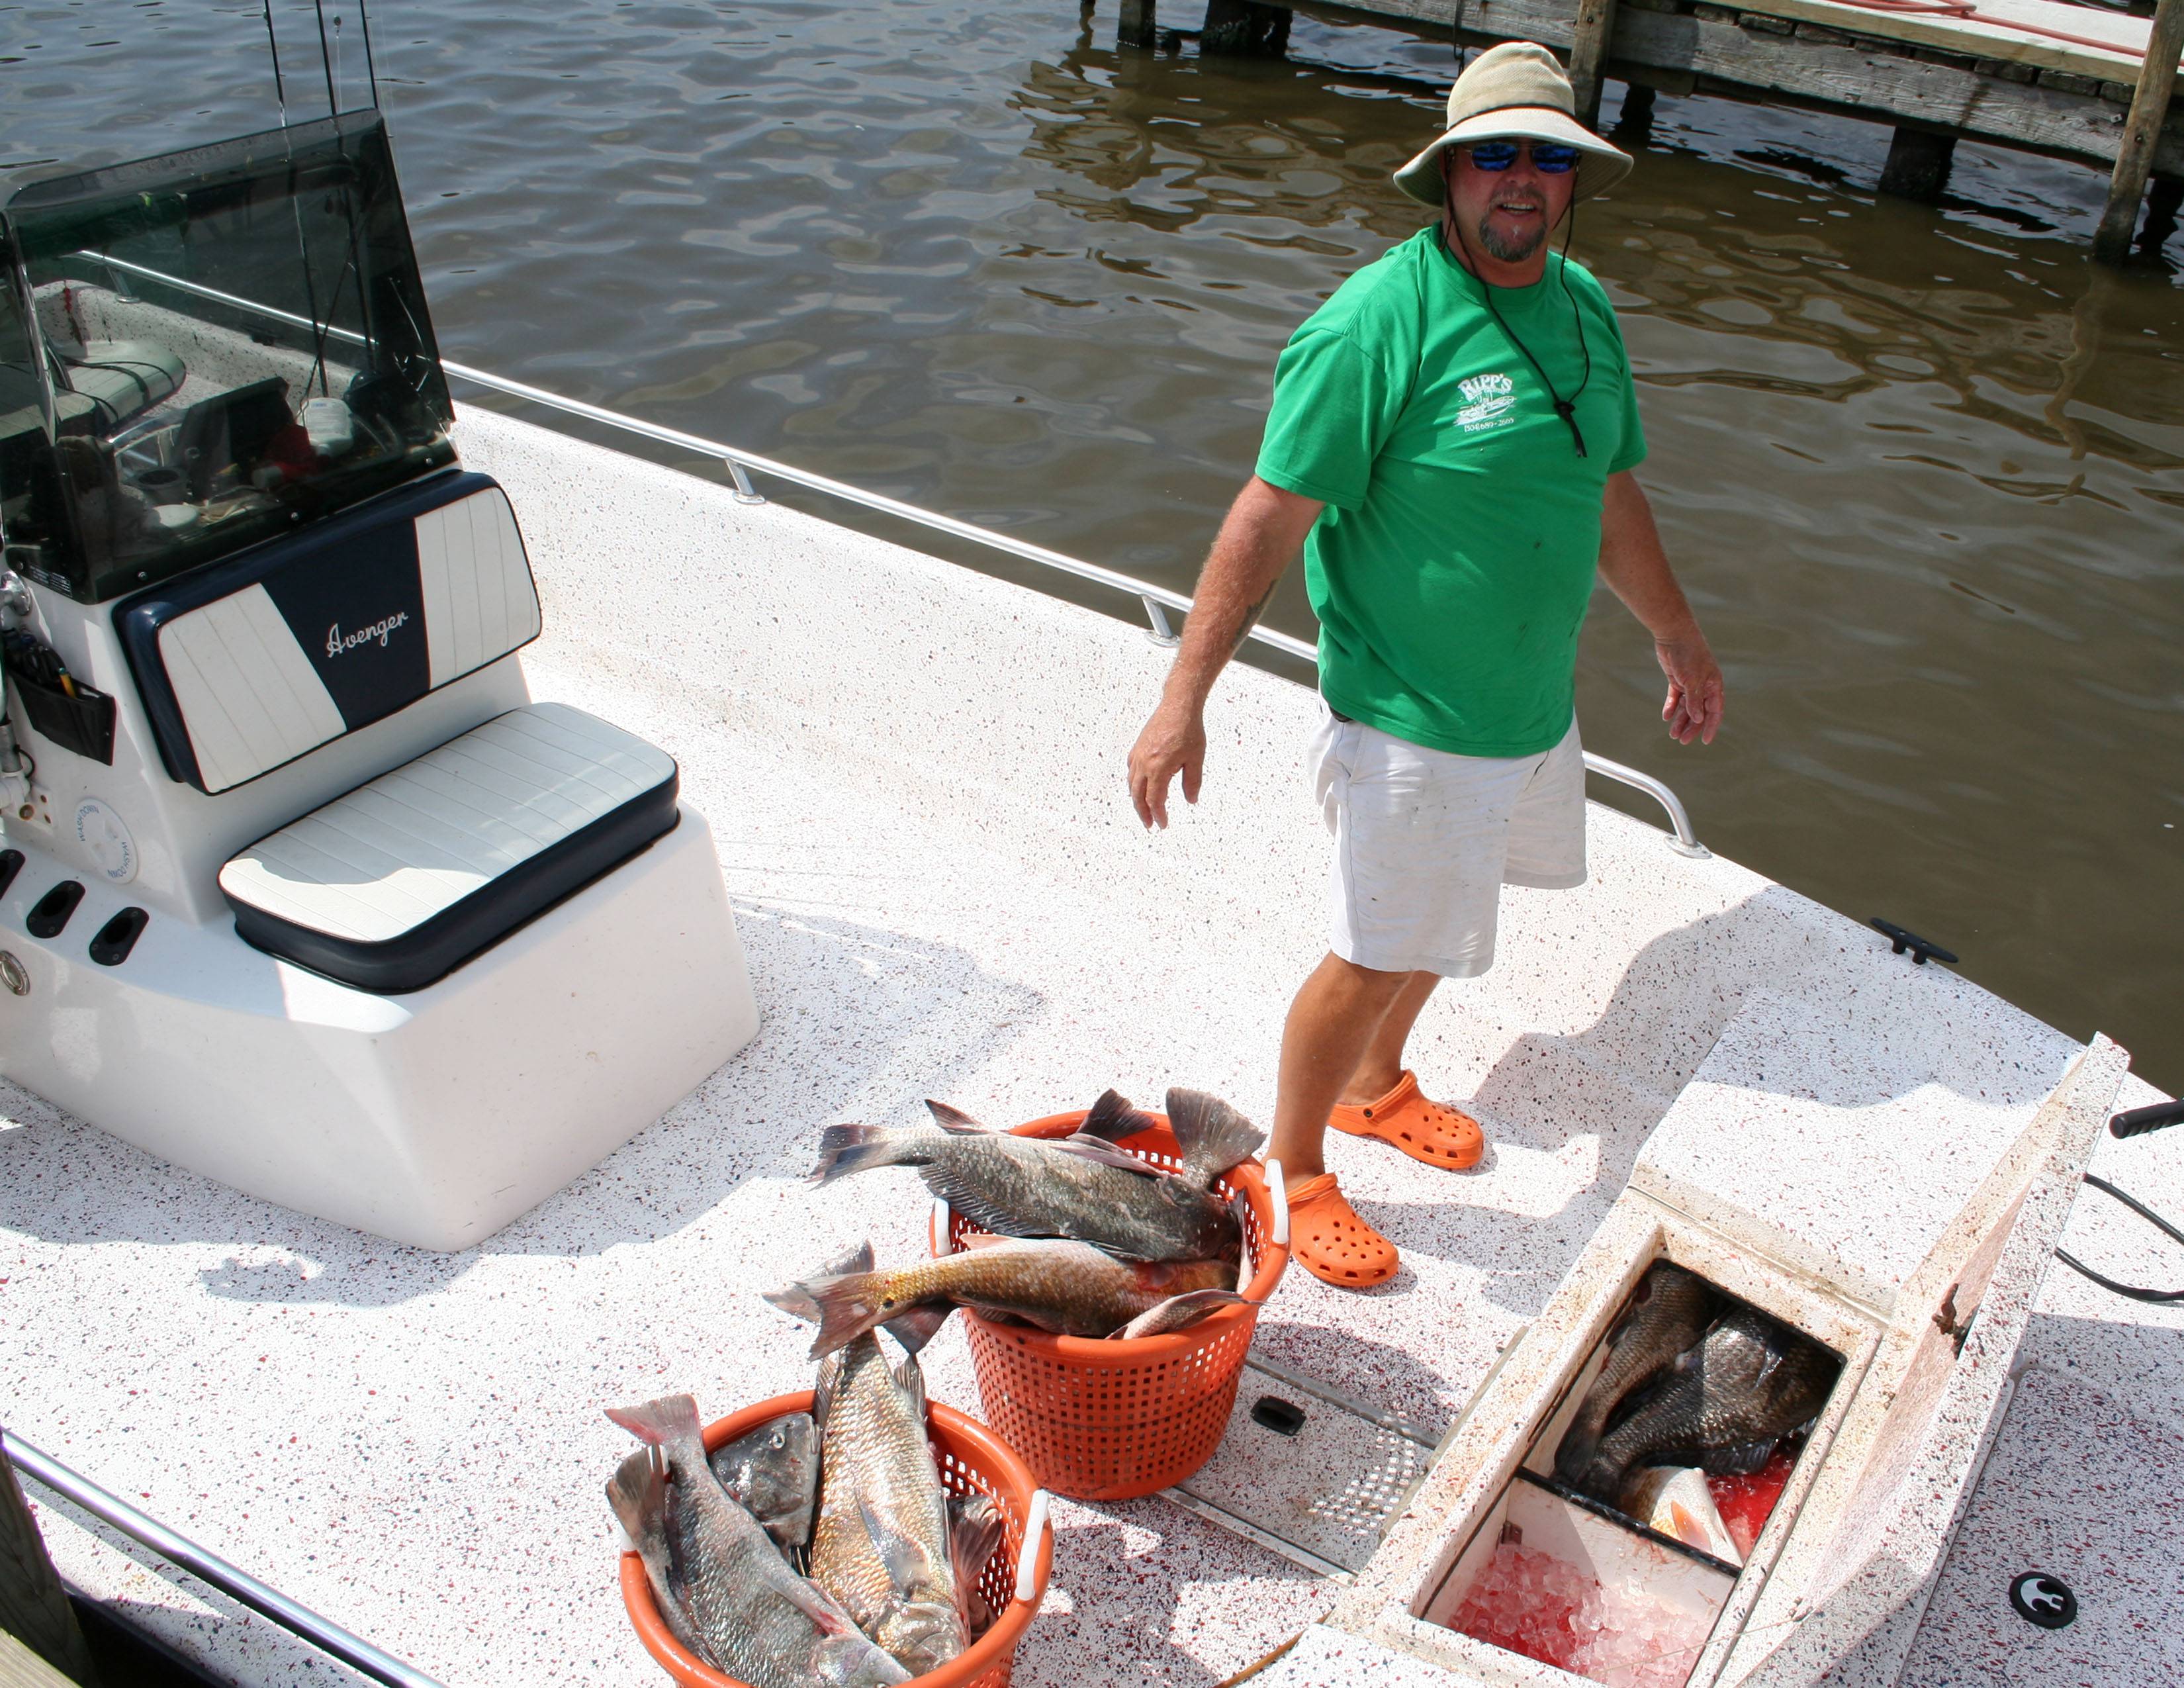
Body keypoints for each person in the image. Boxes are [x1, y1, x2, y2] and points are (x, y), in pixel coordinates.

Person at [1126, 42, 1723, 1288]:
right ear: (1448, 173)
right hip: (1410, 722)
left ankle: (1374, 1083)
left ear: (1575, 179)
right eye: (1494, 154)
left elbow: (1610, 493)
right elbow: (1266, 519)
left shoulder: (1584, 308)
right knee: (1371, 951)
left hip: (1528, 712)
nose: (1521, 178)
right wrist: (1184, 700)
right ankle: (1296, 1168)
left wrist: (1676, 631)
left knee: (1444, 926)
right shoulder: (1373, 325)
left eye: (1548, 156)